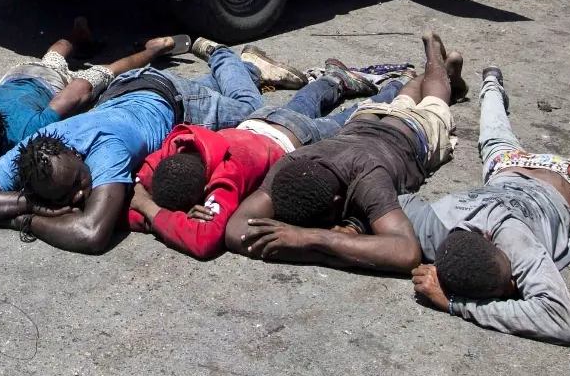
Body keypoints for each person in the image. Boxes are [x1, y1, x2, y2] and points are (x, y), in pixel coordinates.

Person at [0, 38, 298, 254]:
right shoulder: (36, 149)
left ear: (79, 156)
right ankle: (232, 73)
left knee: (251, 109)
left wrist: (30, 220)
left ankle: (229, 57)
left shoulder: (106, 150)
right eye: (66, 195)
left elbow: (91, 233)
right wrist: (25, 206)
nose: (80, 198)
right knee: (223, 92)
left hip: (173, 98)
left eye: (80, 184)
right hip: (126, 94)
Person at [405, 67, 570, 344]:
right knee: (494, 133)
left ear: (491, 238)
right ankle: (490, 80)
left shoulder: (515, 241)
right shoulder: (434, 223)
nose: (516, 284)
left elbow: (559, 321)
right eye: (511, 286)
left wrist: (455, 304)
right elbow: (394, 203)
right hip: (509, 166)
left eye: (513, 279)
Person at [225, 31, 465, 273]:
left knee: (435, 102)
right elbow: (235, 231)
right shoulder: (290, 164)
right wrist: (302, 242)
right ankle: (443, 71)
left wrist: (313, 239)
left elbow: (406, 251)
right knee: (404, 98)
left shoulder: (368, 180)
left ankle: (434, 56)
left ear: (337, 201)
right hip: (363, 120)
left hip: (408, 132)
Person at [127, 60, 410, 259]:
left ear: (204, 192)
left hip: (299, 138)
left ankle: (398, 86)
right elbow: (137, 187)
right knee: (305, 100)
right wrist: (150, 201)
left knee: (356, 117)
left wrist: (151, 211)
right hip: (260, 121)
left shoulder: (228, 177)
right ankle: (335, 79)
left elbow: (203, 239)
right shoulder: (179, 142)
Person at [0, 19, 180, 178]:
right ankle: (77, 34)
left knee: (105, 72)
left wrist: (91, 84)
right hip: (16, 76)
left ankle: (153, 50)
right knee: (53, 58)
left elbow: (75, 93)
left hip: (47, 85)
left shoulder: (22, 133)